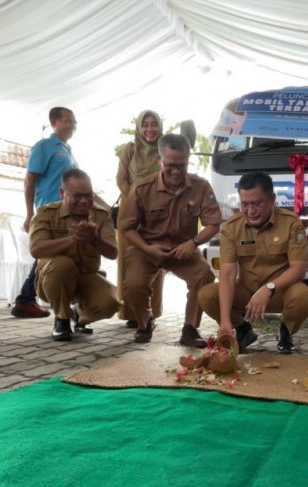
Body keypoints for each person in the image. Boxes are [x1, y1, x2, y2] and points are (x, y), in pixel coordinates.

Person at [119, 134, 222, 345]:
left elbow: (213, 224)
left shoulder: (201, 186)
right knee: (132, 286)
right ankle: (145, 320)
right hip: (146, 248)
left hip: (183, 249)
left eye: (181, 165)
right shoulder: (141, 188)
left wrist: (193, 243)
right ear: (159, 161)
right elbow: (126, 227)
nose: (176, 171)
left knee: (203, 276)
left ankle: (190, 329)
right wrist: (146, 249)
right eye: (170, 165)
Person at [198, 171, 308, 354]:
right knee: (206, 295)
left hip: (280, 292)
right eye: (244, 204)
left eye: (257, 203)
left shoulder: (291, 223)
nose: (250, 211)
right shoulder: (231, 227)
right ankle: (243, 330)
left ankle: (286, 331)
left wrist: (268, 288)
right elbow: (227, 274)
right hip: (246, 292)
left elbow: (299, 268)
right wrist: (225, 321)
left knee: (303, 296)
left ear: (272, 198)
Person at [30, 169, 119, 341]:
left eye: (89, 195)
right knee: (62, 264)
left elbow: (113, 253)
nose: (84, 201)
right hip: (53, 279)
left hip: (86, 276)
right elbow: (36, 249)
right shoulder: (46, 214)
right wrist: (73, 240)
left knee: (111, 303)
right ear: (63, 193)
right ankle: (61, 319)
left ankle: (79, 315)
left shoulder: (101, 215)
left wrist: (94, 239)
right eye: (77, 196)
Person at [11, 107, 78, 319]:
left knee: (58, 252)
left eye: (74, 122)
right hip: (47, 210)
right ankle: (26, 299)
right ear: (54, 122)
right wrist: (29, 213)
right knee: (47, 252)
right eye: (68, 121)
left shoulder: (68, 150)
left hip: (67, 211)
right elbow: (29, 179)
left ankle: (27, 299)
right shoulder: (44, 146)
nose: (72, 125)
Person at [115, 110, 166, 329]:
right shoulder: (130, 149)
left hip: (159, 214)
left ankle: (151, 312)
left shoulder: (166, 150)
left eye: (154, 124)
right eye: (145, 124)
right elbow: (121, 179)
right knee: (128, 263)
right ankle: (132, 313)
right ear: (139, 127)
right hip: (131, 214)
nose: (149, 129)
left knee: (155, 262)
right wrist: (136, 200)